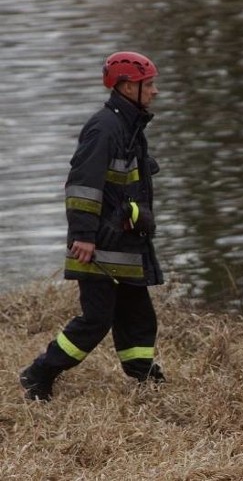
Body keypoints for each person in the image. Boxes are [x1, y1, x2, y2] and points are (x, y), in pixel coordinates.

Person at [20, 51, 166, 401]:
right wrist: (83, 237)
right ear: (128, 86)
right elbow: (82, 186)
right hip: (99, 244)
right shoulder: (104, 128)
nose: (156, 91)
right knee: (97, 320)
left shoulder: (129, 125)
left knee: (139, 315)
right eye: (151, 84)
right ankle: (40, 373)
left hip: (124, 243)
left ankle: (141, 373)